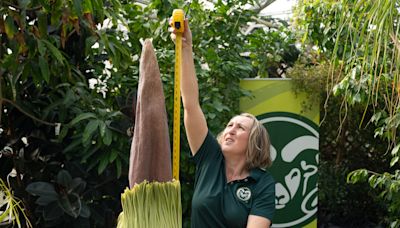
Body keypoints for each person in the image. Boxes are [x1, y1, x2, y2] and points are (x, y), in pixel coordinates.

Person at [171, 19, 275, 228]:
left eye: (240, 127)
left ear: (255, 142)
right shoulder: (210, 158)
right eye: (229, 125)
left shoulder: (262, 183)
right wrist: (185, 49)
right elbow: (191, 105)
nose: (231, 130)